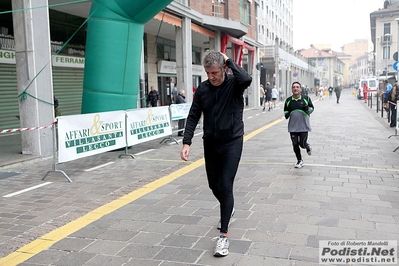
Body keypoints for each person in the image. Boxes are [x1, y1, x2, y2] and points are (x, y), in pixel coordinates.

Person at [180, 50, 252, 257]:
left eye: (214, 72)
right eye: (208, 73)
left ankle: (223, 237)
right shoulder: (203, 89)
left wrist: (229, 60)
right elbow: (193, 116)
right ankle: (227, 208)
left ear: (224, 68)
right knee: (213, 184)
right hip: (210, 142)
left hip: (232, 142)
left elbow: (246, 78)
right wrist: (187, 142)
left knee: (225, 184)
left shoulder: (234, 84)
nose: (211, 77)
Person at [284, 81, 314, 169]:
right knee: (295, 144)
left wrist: (307, 109)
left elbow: (312, 109)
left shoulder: (306, 99)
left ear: (300, 89)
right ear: (291, 90)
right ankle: (299, 160)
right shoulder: (288, 100)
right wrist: (287, 114)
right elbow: (286, 111)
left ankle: (307, 146)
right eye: (293, 87)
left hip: (304, 126)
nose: (295, 88)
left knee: (302, 144)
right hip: (293, 127)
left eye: (297, 87)